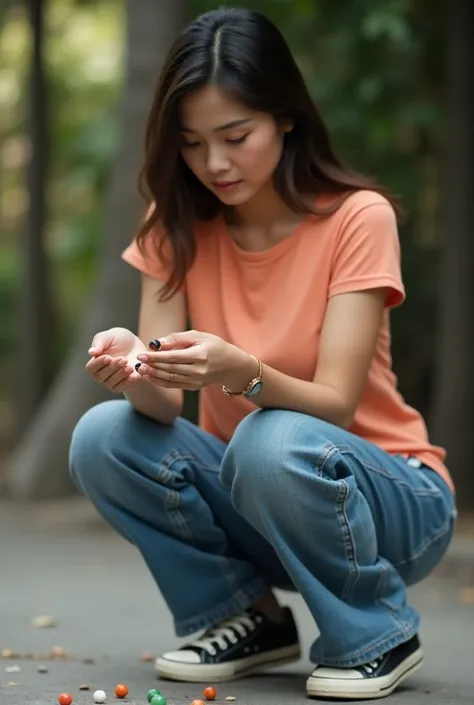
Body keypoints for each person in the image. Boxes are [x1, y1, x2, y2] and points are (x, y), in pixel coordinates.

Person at [69, 7, 457, 701]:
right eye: (191, 143)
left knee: (270, 434)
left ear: (285, 117)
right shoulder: (175, 222)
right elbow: (159, 403)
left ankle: (376, 628)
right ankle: (245, 616)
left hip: (393, 498)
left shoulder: (356, 217)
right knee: (103, 434)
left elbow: (335, 403)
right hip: (258, 493)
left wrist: (241, 371)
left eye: (235, 136)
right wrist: (133, 366)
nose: (213, 163)